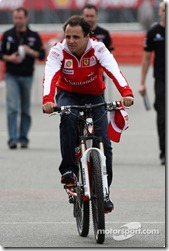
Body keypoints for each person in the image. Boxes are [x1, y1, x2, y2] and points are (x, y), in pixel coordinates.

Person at [42, 15, 134, 212]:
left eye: (76, 37)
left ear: (87, 37)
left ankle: (105, 194)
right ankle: (69, 170)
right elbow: (50, 76)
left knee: (105, 145)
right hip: (68, 95)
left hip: (94, 96)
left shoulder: (98, 48)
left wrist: (126, 93)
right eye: (68, 37)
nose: (71, 41)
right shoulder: (58, 51)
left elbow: (114, 70)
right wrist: (48, 100)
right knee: (68, 119)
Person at [0, 7, 45, 149]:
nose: (17, 20)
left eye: (20, 18)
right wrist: (10, 58)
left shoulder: (34, 35)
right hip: (11, 75)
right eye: (15, 18)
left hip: (27, 76)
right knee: (13, 107)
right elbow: (1, 54)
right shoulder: (7, 34)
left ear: (26, 18)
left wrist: (30, 51)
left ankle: (23, 138)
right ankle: (12, 139)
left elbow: (42, 55)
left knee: (25, 109)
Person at [139, 1, 165, 165]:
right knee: (163, 116)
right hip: (162, 80)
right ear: (160, 11)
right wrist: (142, 82)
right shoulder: (154, 32)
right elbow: (146, 58)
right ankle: (164, 151)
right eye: (164, 9)